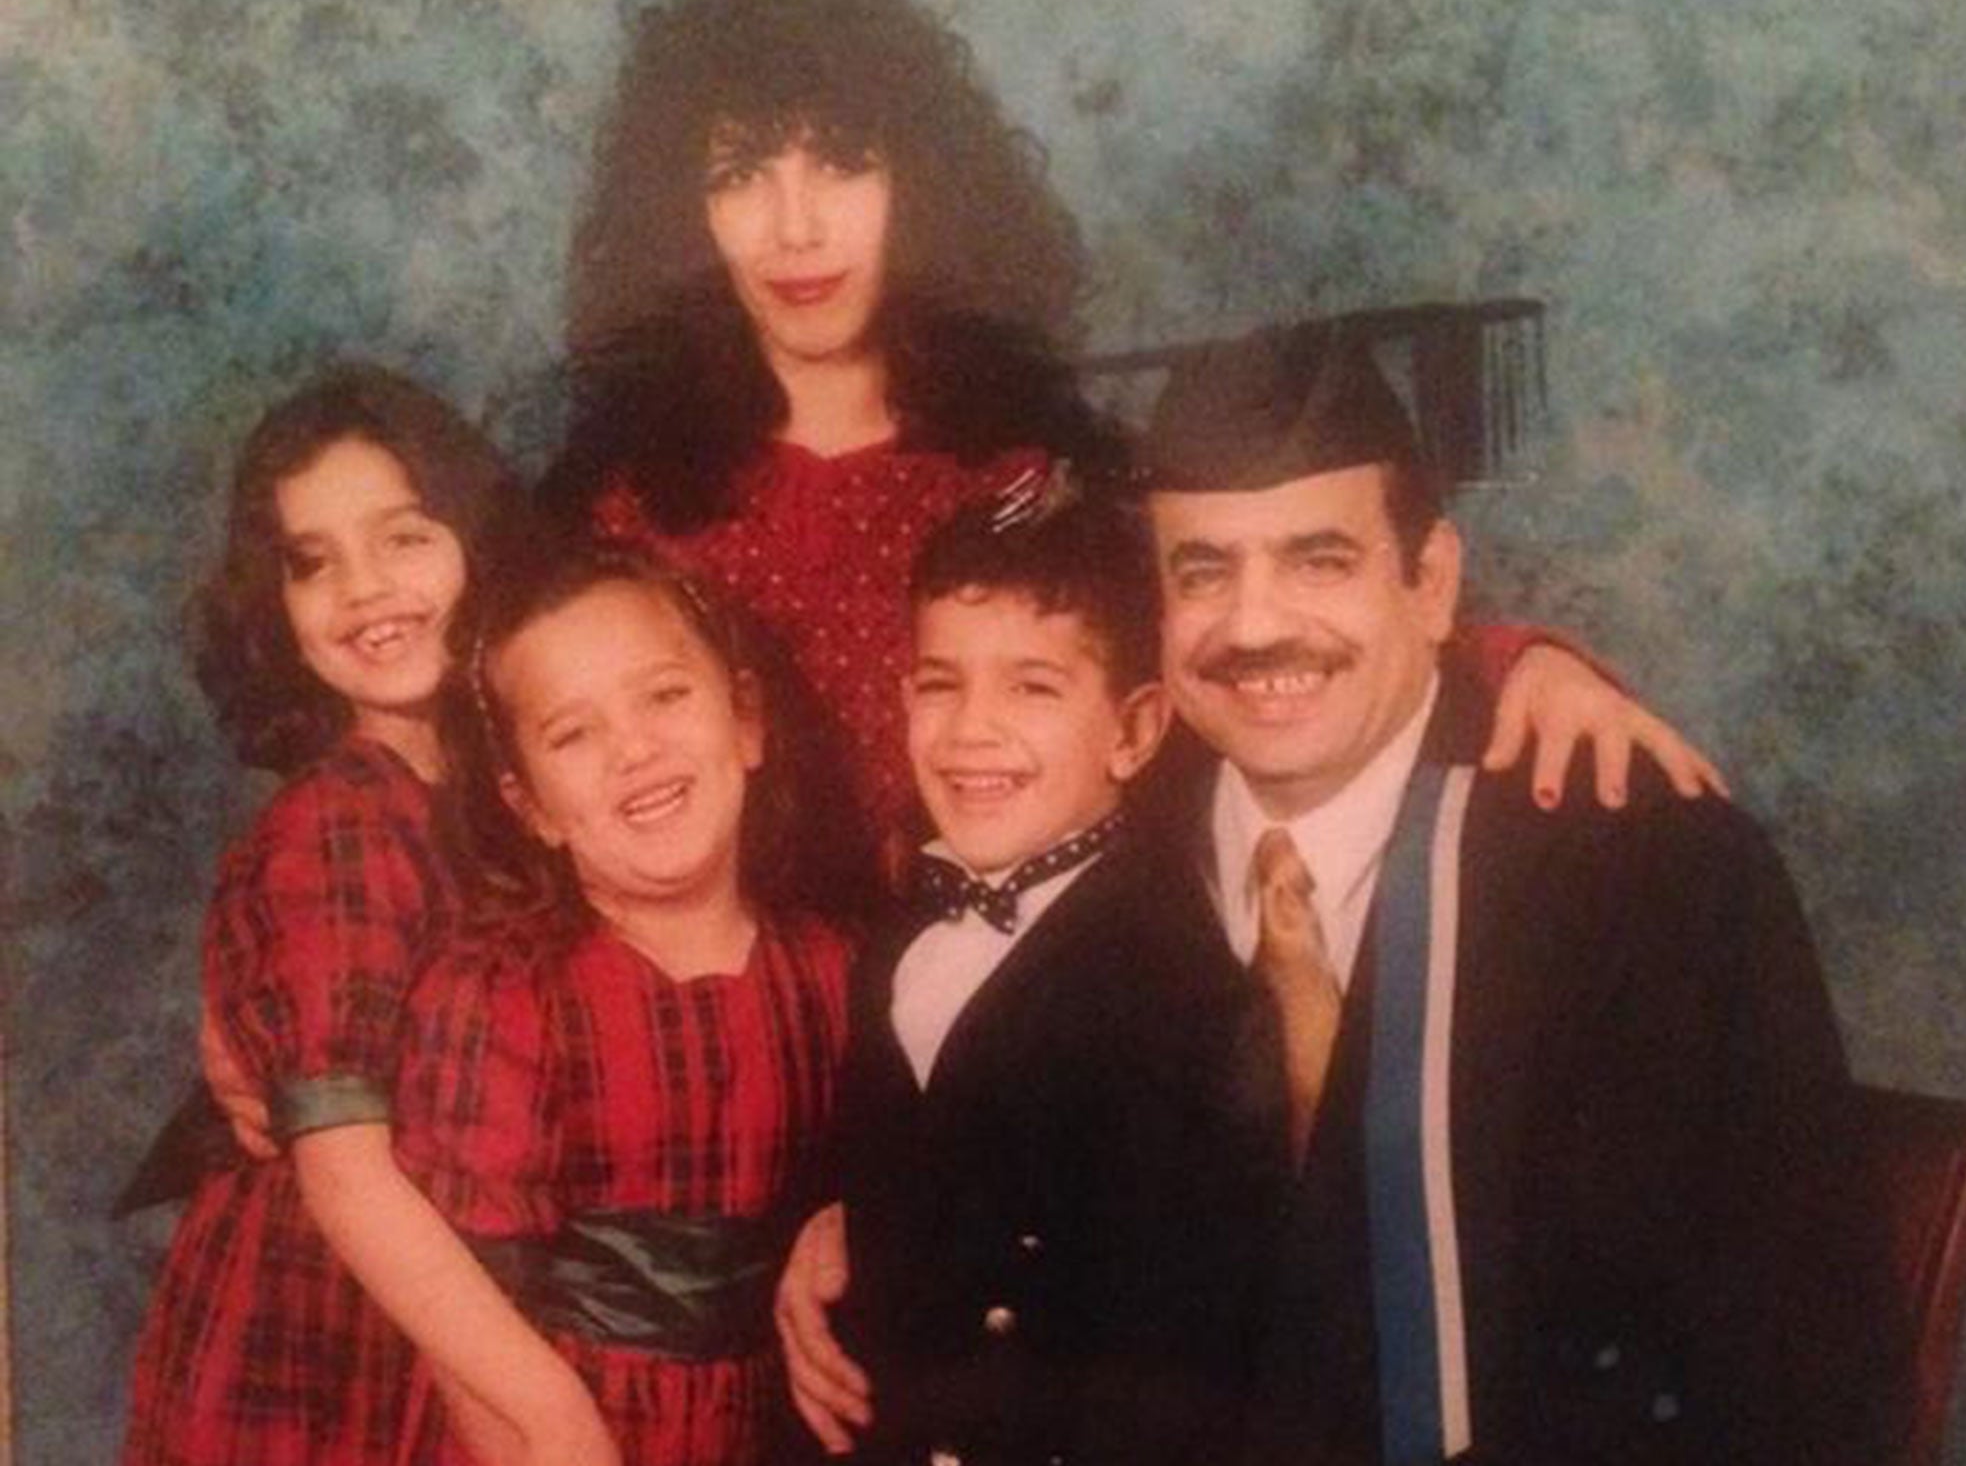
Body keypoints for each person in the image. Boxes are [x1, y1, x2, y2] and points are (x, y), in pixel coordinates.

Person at [780, 323, 1903, 1464]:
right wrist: (843, 1225)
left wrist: (1525, 657)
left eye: (1319, 559)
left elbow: (1794, 1374)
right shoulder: (1107, 842)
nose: (1257, 625)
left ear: (1431, 584)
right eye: (1202, 570)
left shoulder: (1640, 877)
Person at [539, 0, 1720, 896]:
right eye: (740, 175)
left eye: (841, 166)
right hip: (720, 1052)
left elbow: (1246, 641)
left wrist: (1523, 662)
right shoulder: (624, 505)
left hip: (1017, 1034)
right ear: (680, 217)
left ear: (921, 187)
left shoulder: (1033, 470)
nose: (794, 227)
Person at [122, 368, 617, 1466]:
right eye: (312, 563)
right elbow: (346, 1173)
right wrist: (554, 1416)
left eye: (404, 537)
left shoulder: (497, 791)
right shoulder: (337, 824)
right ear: (275, 603)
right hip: (322, 1334)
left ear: (477, 544)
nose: (365, 591)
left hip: (452, 1313)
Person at [814, 492, 1286, 1464]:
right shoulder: (896, 933)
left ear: (1134, 729)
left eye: (1031, 687)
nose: (969, 731)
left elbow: (1177, 1361)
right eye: (939, 685)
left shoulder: (1176, 989)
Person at [393, 543, 851, 1466]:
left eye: (666, 696)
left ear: (748, 722)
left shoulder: (835, 970)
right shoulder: (505, 995)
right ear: (532, 808)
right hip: (559, 1432)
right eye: (574, 734)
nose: (635, 750)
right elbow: (466, 1337)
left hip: (776, 1431)